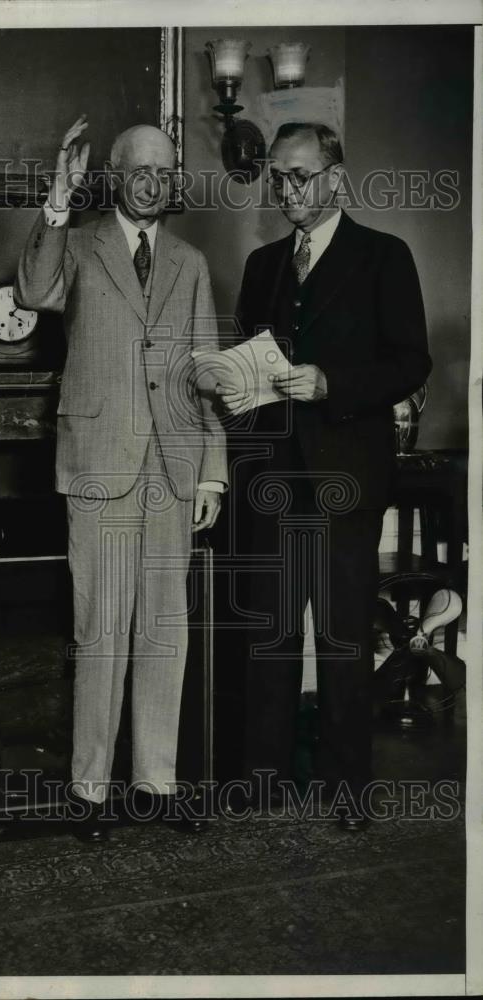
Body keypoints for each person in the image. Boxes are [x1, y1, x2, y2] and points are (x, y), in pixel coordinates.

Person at [15, 117, 227, 843]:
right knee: (99, 629)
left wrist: (212, 475)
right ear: (112, 176)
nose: (153, 183)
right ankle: (89, 788)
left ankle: (157, 783)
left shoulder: (190, 263)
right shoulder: (77, 243)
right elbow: (34, 289)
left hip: (172, 467)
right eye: (140, 170)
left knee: (166, 628)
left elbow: (204, 375)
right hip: (100, 463)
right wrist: (57, 200)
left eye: (165, 173)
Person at [218, 123, 431, 828]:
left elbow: (410, 362)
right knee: (271, 632)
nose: (286, 190)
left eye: (300, 176)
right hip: (273, 476)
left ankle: (348, 787)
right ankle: (263, 777)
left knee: (341, 635)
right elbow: (250, 357)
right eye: (278, 177)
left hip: (346, 476)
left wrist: (331, 383)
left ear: (337, 178)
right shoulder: (263, 264)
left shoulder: (384, 256)